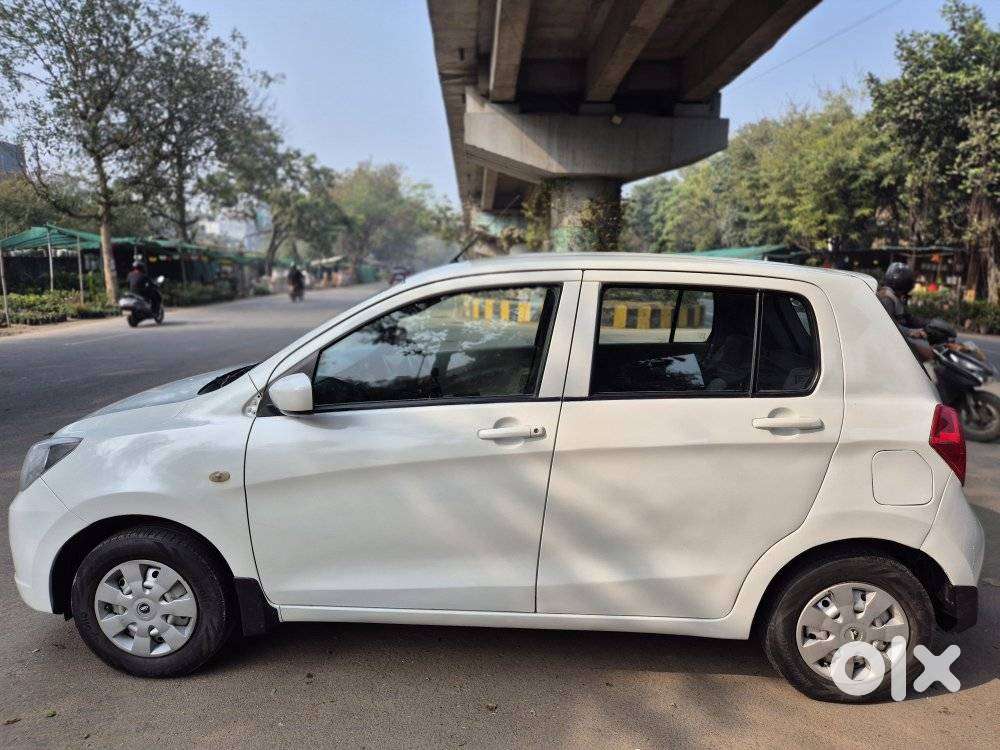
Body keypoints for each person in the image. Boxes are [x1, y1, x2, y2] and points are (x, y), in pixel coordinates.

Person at [877, 261, 932, 361]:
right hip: (893, 343)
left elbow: (908, 318)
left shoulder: (894, 296)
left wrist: (929, 323)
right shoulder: (887, 298)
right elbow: (888, 326)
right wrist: (910, 332)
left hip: (901, 339)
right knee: (928, 353)